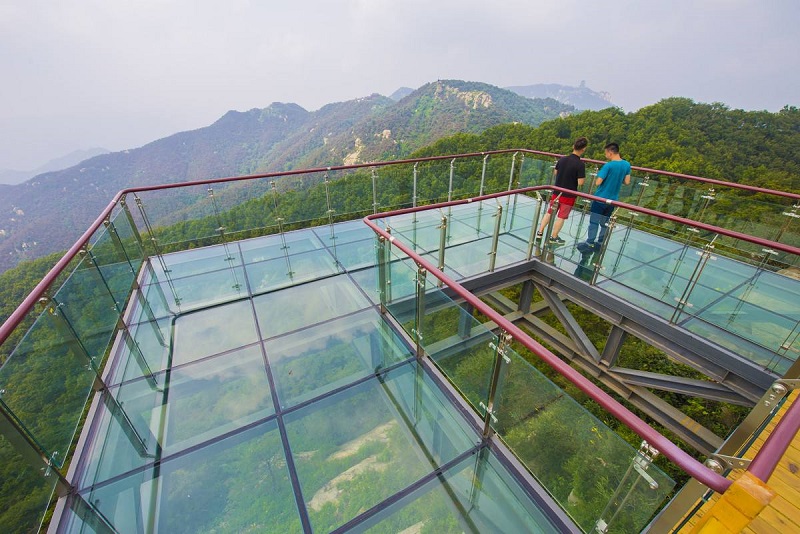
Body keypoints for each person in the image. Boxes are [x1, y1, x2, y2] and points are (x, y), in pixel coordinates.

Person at [577, 142, 631, 252]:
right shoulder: (626, 165)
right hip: (613, 200)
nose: (605, 155)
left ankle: (590, 242)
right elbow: (627, 181)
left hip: (600, 198)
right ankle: (600, 243)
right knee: (605, 223)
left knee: (594, 222)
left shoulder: (608, 165)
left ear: (610, 152)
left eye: (606, 153)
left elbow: (598, 182)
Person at [535, 136, 588, 245]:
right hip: (569, 195)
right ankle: (553, 237)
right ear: (583, 149)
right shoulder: (580, 165)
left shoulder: (562, 159)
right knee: (561, 216)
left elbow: (555, 172)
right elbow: (581, 182)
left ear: (573, 146)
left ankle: (540, 232)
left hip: (556, 191)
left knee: (550, 212)